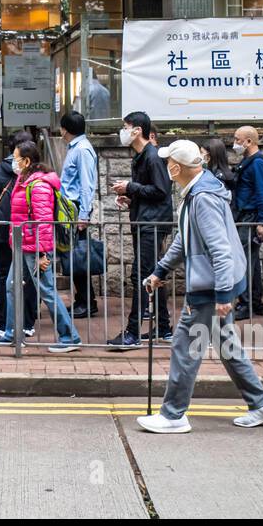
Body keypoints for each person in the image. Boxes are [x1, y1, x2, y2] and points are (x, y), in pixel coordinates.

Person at [136, 140, 263, 434]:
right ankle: (262, 404)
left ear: (177, 167)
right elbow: (184, 240)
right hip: (215, 282)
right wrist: (161, 270)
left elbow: (219, 249)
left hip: (209, 286)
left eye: (168, 163)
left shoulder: (202, 198)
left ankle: (173, 414)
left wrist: (223, 294)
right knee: (227, 345)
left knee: (184, 345)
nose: (166, 167)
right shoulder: (199, 191)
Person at [0, 139, 81, 352]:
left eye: (16, 159)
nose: (13, 162)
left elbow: (42, 221)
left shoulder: (38, 184)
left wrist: (43, 253)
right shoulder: (24, 180)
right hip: (23, 245)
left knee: (47, 290)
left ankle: (70, 336)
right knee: (11, 286)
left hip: (35, 249)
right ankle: (12, 332)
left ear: (27, 160)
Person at [108, 112, 174, 350]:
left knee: (143, 275)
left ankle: (133, 332)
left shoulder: (153, 157)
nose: (123, 132)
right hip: (145, 221)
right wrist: (129, 197)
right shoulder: (142, 156)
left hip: (152, 224)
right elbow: (151, 193)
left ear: (137, 130)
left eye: (125, 127)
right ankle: (164, 327)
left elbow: (160, 191)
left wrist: (131, 187)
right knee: (153, 274)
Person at [0, 132, 37, 338]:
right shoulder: (33, 174)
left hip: (2, 230)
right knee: (28, 277)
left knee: (5, 277)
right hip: (26, 232)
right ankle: (26, 322)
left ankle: (3, 322)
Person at [59, 111, 99, 318]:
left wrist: (83, 215)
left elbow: (87, 185)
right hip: (70, 209)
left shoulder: (82, 150)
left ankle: (86, 302)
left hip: (75, 210)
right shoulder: (76, 148)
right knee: (74, 256)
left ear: (65, 129)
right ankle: (83, 300)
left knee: (78, 256)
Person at [231, 125, 263, 319]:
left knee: (244, 261)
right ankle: (255, 302)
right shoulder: (247, 161)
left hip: (250, 217)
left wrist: (262, 222)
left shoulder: (258, 163)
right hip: (244, 216)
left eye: (238, 140)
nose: (235, 143)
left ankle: (246, 304)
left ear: (249, 141)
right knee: (251, 262)